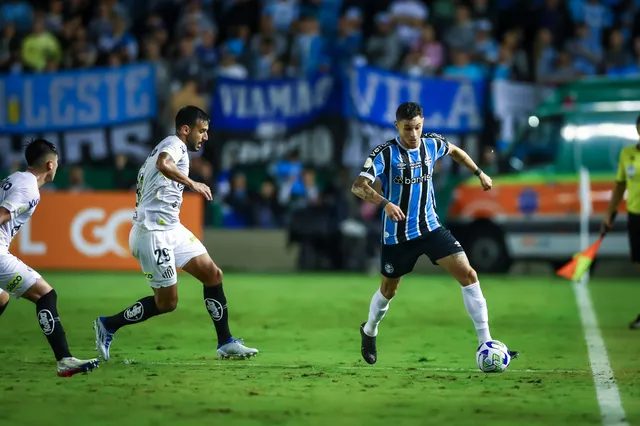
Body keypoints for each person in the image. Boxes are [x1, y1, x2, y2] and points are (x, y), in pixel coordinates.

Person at [351, 102, 517, 364]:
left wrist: (479, 173)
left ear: (423, 123)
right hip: (397, 234)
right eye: (407, 128)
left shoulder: (432, 143)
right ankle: (369, 329)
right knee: (388, 290)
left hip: (430, 227)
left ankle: (485, 342)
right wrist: (386, 204)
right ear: (397, 126)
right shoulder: (384, 153)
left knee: (469, 274)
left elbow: (456, 152)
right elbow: (359, 186)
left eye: (417, 127)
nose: (413, 134)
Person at [93, 105, 258, 360]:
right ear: (185, 130)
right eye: (202, 131)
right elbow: (163, 164)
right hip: (153, 233)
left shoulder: (170, 146)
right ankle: (108, 325)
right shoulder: (174, 144)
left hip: (171, 227)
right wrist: (193, 183)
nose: (205, 137)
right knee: (166, 303)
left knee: (213, 275)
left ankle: (225, 342)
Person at [0, 139, 99, 377]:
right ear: (50, 165)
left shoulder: (14, 178)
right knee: (45, 294)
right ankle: (64, 359)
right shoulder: (28, 188)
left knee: (2, 298)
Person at [601, 114, 640, 330]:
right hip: (635, 214)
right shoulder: (628, 154)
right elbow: (619, 186)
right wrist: (610, 213)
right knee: (638, 263)